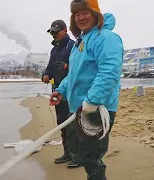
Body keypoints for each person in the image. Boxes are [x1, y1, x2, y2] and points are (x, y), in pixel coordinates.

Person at [50, 0, 123, 179]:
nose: (81, 17)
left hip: (97, 109)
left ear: (95, 13)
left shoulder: (106, 38)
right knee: (78, 153)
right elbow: (75, 74)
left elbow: (110, 72)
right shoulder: (80, 42)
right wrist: (61, 90)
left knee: (90, 157)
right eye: (77, 14)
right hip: (78, 108)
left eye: (85, 12)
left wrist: (92, 100)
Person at [42, 19, 79, 168]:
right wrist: (46, 75)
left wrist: (66, 66)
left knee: (74, 125)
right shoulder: (54, 50)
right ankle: (68, 153)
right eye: (51, 32)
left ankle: (78, 156)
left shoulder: (73, 46)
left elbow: (79, 68)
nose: (53, 34)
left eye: (56, 31)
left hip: (72, 92)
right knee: (62, 123)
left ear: (65, 31)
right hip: (57, 91)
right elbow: (50, 67)